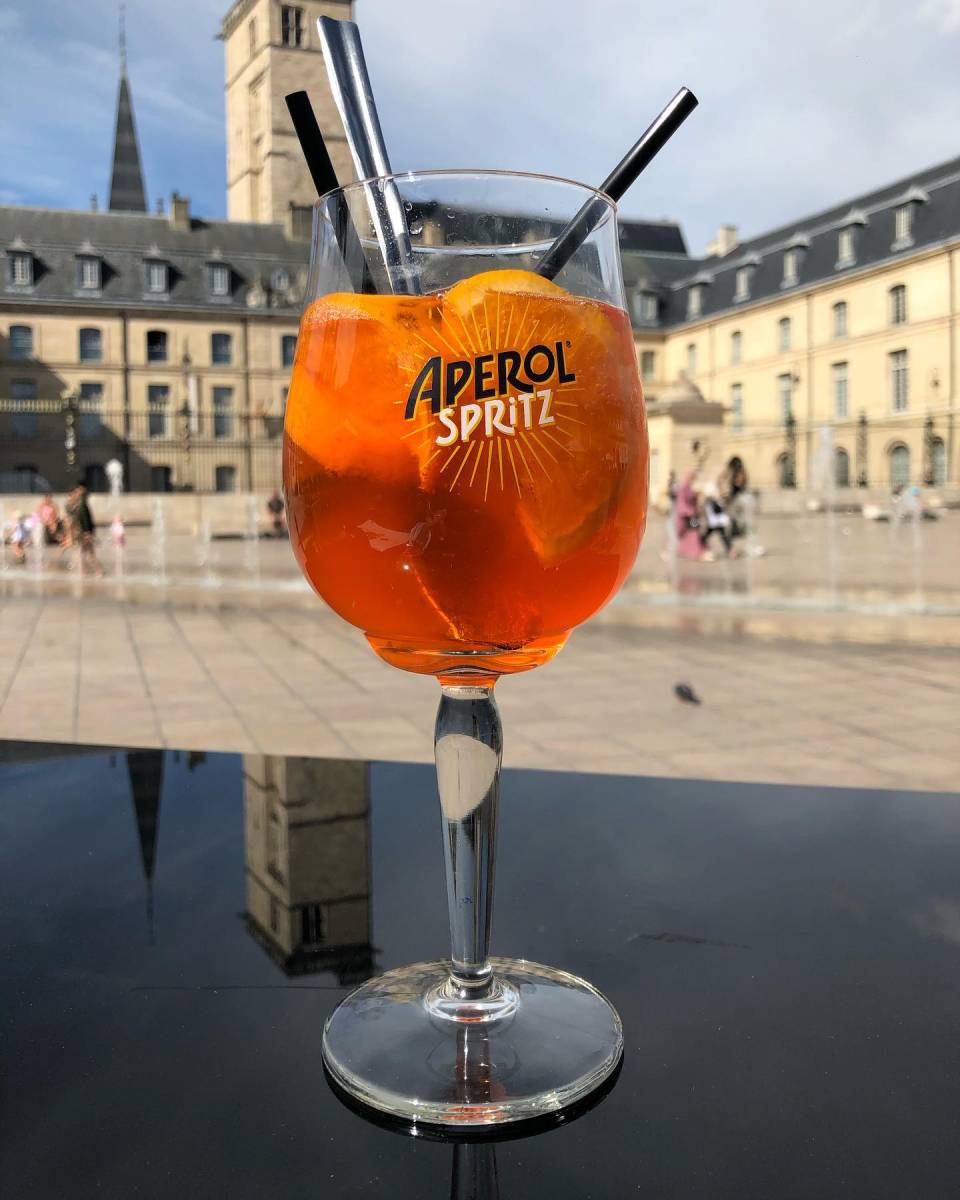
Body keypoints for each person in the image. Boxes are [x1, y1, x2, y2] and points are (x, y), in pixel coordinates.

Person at [674, 470, 711, 561]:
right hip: (685, 517)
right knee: (692, 533)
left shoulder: (689, 487)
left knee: (694, 532)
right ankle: (697, 552)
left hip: (692, 516)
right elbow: (681, 504)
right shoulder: (683, 488)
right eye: (691, 477)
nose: (693, 479)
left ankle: (696, 551)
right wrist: (690, 511)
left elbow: (693, 502)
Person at [73, 485, 104, 577]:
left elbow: (86, 520)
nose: (76, 493)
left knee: (90, 553)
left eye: (78, 491)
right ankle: (83, 571)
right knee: (83, 552)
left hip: (85, 533)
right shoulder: (81, 504)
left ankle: (99, 571)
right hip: (82, 533)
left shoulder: (82, 505)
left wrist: (88, 533)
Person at [701, 482, 734, 556]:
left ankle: (730, 550)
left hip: (715, 522)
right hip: (715, 522)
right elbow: (714, 510)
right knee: (720, 536)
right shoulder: (711, 501)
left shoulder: (712, 501)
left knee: (720, 536)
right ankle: (701, 547)